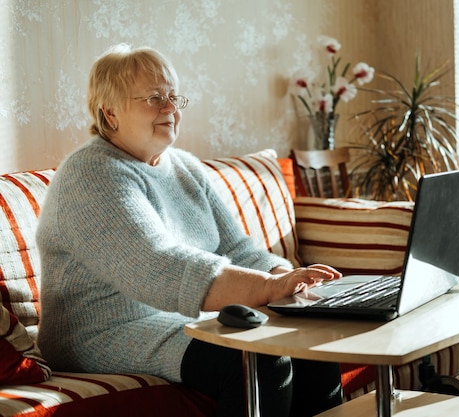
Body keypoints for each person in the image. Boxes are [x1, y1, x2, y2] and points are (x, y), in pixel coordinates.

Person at [36, 43, 344, 417]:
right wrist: (266, 289)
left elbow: (239, 248)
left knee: (311, 347)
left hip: (176, 319)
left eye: (173, 97)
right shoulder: (90, 175)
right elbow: (157, 267)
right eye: (153, 98)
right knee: (259, 362)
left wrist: (286, 277)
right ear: (110, 112)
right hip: (103, 331)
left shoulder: (184, 167)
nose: (169, 108)